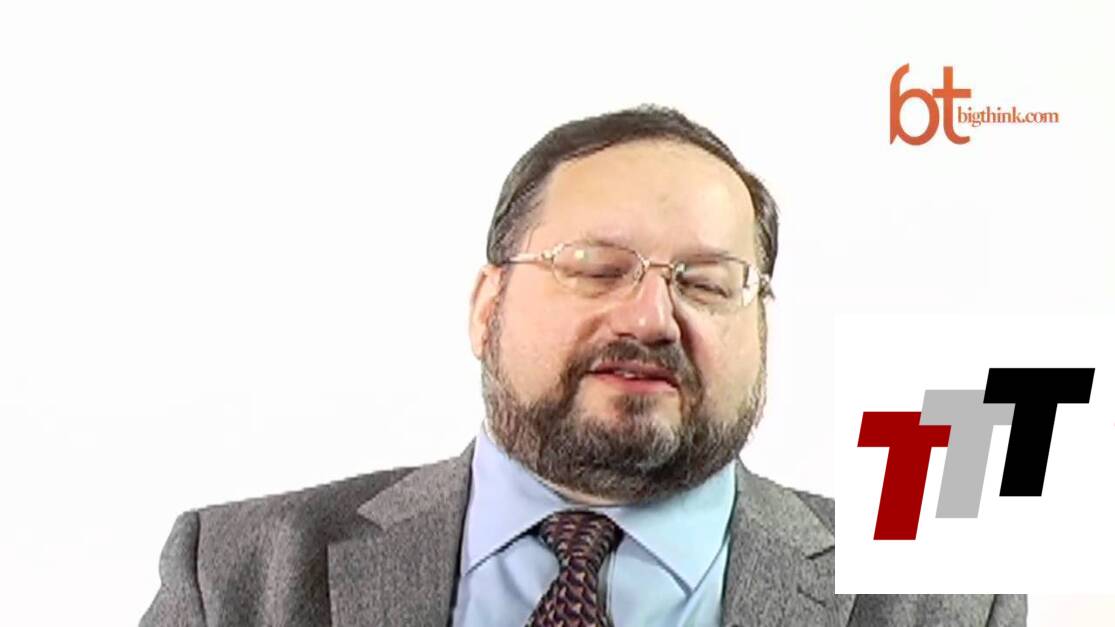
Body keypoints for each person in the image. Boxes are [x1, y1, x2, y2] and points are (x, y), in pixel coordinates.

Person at [140, 105, 1026, 626]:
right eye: (595, 268)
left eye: (706, 282)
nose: (649, 317)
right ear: (487, 304)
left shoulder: (943, 600)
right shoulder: (237, 575)